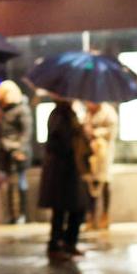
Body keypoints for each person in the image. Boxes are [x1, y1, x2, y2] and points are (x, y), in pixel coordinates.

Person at [39, 100, 91, 261]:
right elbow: (60, 142)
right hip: (62, 171)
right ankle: (57, 245)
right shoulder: (60, 115)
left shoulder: (67, 113)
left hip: (69, 171)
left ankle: (68, 243)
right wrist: (79, 132)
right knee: (62, 210)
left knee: (73, 209)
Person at [0, 80, 33, 224]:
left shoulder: (22, 109)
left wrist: (20, 149)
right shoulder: (2, 110)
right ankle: (13, 215)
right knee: (10, 184)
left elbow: (26, 132)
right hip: (5, 151)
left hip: (18, 151)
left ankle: (22, 214)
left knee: (21, 182)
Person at [83, 100, 118, 229]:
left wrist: (96, 133)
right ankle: (91, 216)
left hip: (104, 152)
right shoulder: (87, 113)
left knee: (104, 182)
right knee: (91, 184)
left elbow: (111, 132)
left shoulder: (108, 112)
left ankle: (105, 215)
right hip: (91, 153)